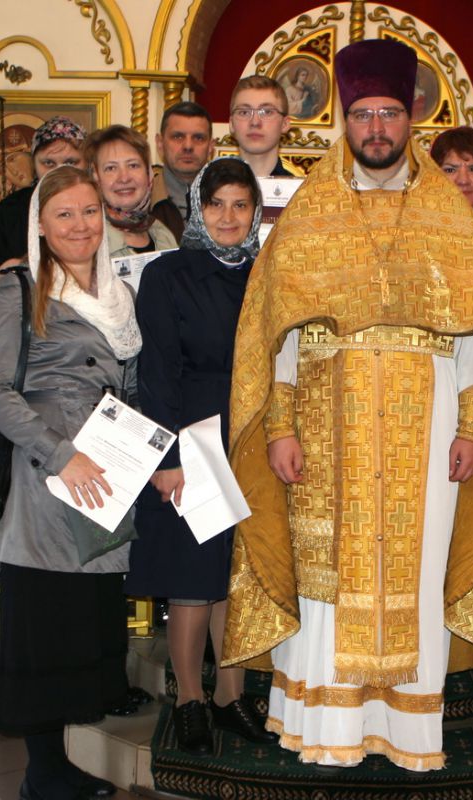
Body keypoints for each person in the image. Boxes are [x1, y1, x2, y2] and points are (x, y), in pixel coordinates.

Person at [222, 39, 473, 771]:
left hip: (429, 425)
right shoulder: (310, 211)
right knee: (325, 573)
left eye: (390, 112)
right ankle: (327, 730)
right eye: (363, 114)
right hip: (328, 423)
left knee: (417, 571)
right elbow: (282, 333)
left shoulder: (448, 213)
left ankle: (408, 731)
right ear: (345, 122)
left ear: (410, 117)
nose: (378, 127)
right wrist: (282, 427)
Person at [0, 165, 142, 799]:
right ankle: (41, 774)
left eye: (90, 211)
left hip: (107, 474)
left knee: (83, 619)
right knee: (44, 620)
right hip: (47, 477)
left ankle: (58, 766)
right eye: (64, 214)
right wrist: (59, 454)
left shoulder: (120, 292)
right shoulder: (16, 288)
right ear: (39, 224)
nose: (80, 225)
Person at [124, 157, 276, 756]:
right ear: (198, 209)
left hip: (255, 439)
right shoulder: (168, 273)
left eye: (241, 205)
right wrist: (168, 457)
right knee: (193, 579)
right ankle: (189, 698)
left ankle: (229, 696)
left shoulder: (268, 271)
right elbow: (156, 368)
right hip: (193, 437)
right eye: (217, 204)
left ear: (255, 210)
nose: (229, 217)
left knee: (236, 576)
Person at [0, 116, 87, 306]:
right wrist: (8, 271)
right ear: (34, 164)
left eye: (70, 162)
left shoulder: (99, 207)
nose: (59, 172)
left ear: (86, 163)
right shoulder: (10, 212)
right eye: (49, 163)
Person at [83, 124, 178, 257]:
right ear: (96, 177)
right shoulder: (84, 240)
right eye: (111, 168)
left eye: (133, 165)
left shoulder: (163, 235)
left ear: (148, 173)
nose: (124, 178)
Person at [153, 101, 214, 241]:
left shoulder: (227, 199)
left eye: (198, 138)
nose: (188, 146)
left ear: (211, 146)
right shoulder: (142, 199)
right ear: (160, 143)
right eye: (178, 137)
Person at [229, 75, 295, 178]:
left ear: (284, 124)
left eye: (267, 112)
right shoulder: (208, 189)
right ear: (231, 124)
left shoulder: (302, 192)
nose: (255, 122)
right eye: (244, 112)